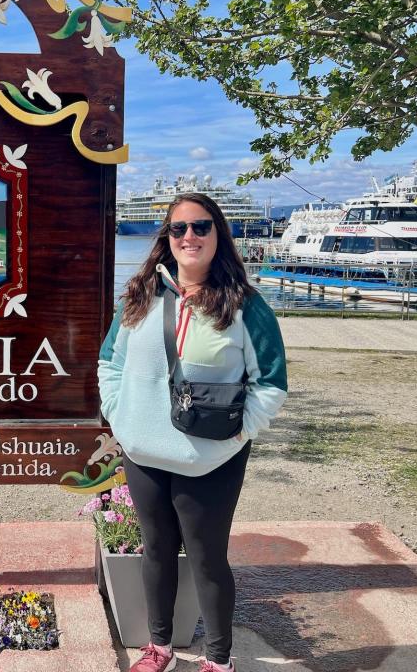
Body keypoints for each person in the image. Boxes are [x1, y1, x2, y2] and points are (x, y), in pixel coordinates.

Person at [98, 192, 288, 672]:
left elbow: (270, 381)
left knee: (207, 560)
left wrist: (239, 435)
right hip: (143, 452)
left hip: (212, 458)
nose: (189, 237)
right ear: (167, 238)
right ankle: (158, 646)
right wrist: (120, 416)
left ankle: (219, 660)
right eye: (179, 228)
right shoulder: (140, 297)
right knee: (156, 550)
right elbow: (109, 363)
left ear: (218, 234)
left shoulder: (245, 305)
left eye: (201, 226)